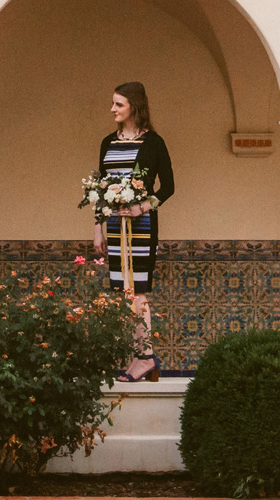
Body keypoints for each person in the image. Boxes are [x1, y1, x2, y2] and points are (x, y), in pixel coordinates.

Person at [94, 80, 174, 381]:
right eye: (113, 103)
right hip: (114, 226)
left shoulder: (153, 143)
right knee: (123, 294)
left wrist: (143, 207)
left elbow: (168, 187)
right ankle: (138, 355)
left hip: (141, 227)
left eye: (119, 104)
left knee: (137, 293)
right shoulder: (107, 142)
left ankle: (144, 358)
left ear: (134, 108)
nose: (112, 109)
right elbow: (100, 189)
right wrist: (98, 229)